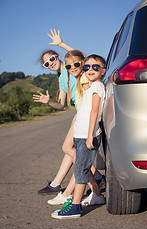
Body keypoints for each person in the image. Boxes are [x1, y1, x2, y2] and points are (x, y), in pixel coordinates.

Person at [33, 29, 105, 202]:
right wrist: (48, 102)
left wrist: (61, 44)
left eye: (51, 59)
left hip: (85, 113)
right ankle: (92, 186)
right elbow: (61, 105)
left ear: (58, 57)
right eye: (46, 64)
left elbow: (83, 59)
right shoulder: (62, 78)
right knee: (70, 150)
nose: (50, 63)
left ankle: (92, 181)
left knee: (68, 149)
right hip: (79, 113)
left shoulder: (78, 69)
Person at [51, 54, 106, 219]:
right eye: (87, 66)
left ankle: (75, 207)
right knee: (81, 168)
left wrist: (90, 135)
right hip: (80, 135)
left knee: (80, 170)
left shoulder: (97, 87)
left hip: (86, 136)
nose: (90, 69)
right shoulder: (91, 86)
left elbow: (95, 113)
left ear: (103, 71)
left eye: (95, 67)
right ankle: (96, 196)